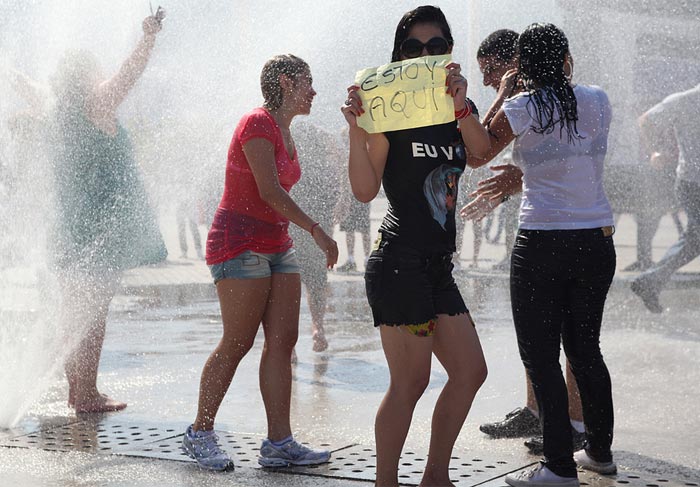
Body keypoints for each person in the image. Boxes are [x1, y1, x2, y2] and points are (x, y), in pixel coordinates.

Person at [462, 23, 617, 485]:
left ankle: (557, 467)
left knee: (542, 356)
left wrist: (503, 95)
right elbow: (575, 156)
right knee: (587, 350)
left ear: (521, 68)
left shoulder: (521, 107)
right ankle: (600, 451)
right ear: (567, 59)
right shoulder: (598, 100)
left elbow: (477, 153)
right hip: (596, 239)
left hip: (544, 242)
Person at [341, 6, 490, 486]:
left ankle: (435, 477)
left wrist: (463, 105)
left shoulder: (455, 106)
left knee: (470, 372)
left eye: (435, 46)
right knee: (411, 381)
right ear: (399, 56)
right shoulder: (389, 108)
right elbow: (364, 192)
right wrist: (357, 131)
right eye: (413, 48)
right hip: (398, 260)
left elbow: (483, 151)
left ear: (447, 51)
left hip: (435, 265)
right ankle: (387, 481)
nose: (424, 55)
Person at [181, 54, 338, 472]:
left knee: (284, 340)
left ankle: (279, 443)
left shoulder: (286, 130)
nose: (314, 91)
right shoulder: (257, 123)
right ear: (286, 83)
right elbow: (269, 191)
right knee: (238, 340)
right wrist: (317, 230)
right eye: (308, 82)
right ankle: (200, 432)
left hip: (276, 241)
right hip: (239, 239)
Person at [474, 29, 585, 456]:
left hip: (563, 232)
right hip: (547, 227)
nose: (488, 82)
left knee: (568, 335)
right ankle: (536, 409)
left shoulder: (549, 99)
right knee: (536, 330)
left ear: (513, 65)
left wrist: (516, 179)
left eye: (492, 73)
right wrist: (514, 183)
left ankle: (575, 423)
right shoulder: (538, 101)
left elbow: (479, 147)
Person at [51, 14, 168, 414]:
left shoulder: (59, 112)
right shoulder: (95, 103)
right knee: (94, 314)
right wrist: (147, 38)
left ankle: (77, 390)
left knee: (72, 313)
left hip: (68, 227)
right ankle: (87, 393)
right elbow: (128, 74)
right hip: (98, 229)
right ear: (85, 76)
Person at [631, 83, 700, 313]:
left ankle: (650, 281)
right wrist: (654, 152)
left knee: (695, 238)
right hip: (693, 183)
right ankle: (649, 280)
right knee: (697, 238)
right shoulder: (685, 99)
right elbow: (646, 120)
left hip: (690, 181)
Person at [289, 120, 343, 352]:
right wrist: (343, 201)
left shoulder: (290, 159)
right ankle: (318, 328)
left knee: (289, 282)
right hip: (317, 225)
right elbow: (340, 165)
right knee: (316, 280)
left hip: (294, 224)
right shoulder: (321, 162)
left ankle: (290, 343)